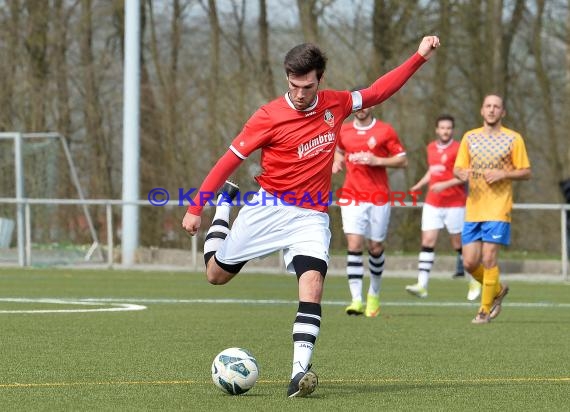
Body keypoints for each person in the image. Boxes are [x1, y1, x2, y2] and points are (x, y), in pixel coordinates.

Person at [182, 36, 440, 397]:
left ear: (320, 79)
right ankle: (225, 206)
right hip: (268, 208)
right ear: (286, 78)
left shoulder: (337, 103)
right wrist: (198, 206)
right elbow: (229, 161)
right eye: (292, 85)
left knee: (313, 283)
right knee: (215, 275)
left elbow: (380, 91)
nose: (299, 93)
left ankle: (299, 373)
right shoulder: (267, 116)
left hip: (312, 216)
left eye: (306, 86)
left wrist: (419, 57)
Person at [454, 94, 531, 324]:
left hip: (498, 207)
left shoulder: (513, 139)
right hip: (474, 207)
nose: (491, 110)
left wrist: (504, 173)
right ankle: (496, 289)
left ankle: (484, 310)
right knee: (469, 263)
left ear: (503, 112)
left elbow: (526, 171)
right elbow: (458, 168)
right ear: (481, 110)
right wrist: (461, 173)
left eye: (496, 107)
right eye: (488, 106)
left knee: (489, 258)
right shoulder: (469, 137)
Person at [332, 102, 407, 317]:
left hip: (378, 197)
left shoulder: (385, 130)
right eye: (357, 106)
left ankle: (374, 294)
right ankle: (356, 300)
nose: (361, 109)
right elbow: (338, 152)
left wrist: (377, 160)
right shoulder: (344, 129)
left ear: (372, 107)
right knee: (354, 245)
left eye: (365, 105)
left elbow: (403, 160)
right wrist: (336, 162)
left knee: (375, 247)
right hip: (351, 195)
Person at [405, 115, 481, 300]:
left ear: (452, 130)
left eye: (449, 128)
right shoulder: (430, 147)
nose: (445, 131)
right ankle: (422, 285)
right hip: (433, 202)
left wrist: (444, 185)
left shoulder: (459, 148)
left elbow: (466, 175)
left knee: (458, 244)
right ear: (437, 130)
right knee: (428, 241)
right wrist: (420, 184)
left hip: (455, 203)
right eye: (442, 128)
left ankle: (474, 280)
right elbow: (433, 170)